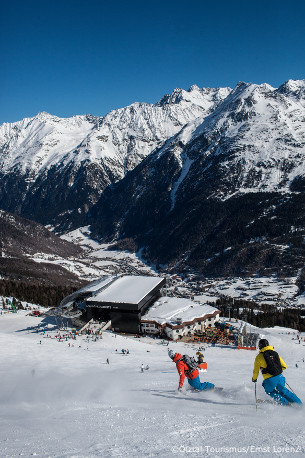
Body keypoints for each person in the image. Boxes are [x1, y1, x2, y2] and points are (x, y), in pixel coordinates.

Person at [252, 339, 302, 406]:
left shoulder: (259, 357)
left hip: (269, 379)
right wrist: (276, 370)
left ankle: (286, 404)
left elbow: (256, 371)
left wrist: (254, 379)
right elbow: (284, 366)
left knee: (270, 391)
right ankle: (299, 403)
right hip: (280, 377)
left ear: (260, 346)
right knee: (283, 390)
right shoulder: (275, 353)